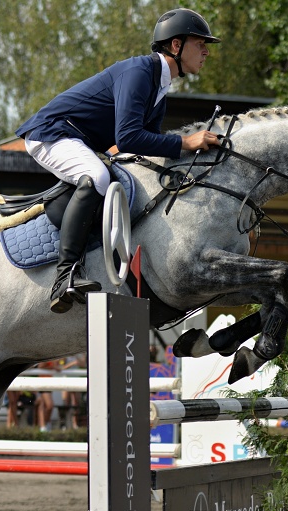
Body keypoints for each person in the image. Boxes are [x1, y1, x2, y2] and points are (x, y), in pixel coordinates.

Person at [15, 8, 221, 314]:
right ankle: (65, 275)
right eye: (199, 42)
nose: (205, 50)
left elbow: (147, 146)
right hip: (50, 133)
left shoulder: (159, 88)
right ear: (176, 46)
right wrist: (185, 142)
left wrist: (188, 155)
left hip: (78, 139)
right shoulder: (140, 73)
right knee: (97, 177)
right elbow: (127, 138)